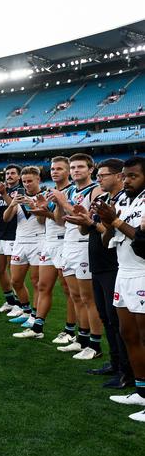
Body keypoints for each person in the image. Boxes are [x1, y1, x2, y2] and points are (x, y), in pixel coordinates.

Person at [64, 159, 133, 386]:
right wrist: (84, 219)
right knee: (106, 317)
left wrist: (95, 223)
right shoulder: (102, 199)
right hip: (97, 263)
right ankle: (115, 363)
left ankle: (127, 370)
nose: (99, 179)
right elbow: (87, 229)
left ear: (118, 177)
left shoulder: (124, 202)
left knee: (117, 320)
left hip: (114, 265)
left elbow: (113, 232)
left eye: (103, 175)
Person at [95, 156, 145, 421]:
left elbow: (143, 240)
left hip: (142, 273)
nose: (126, 180)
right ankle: (141, 390)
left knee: (143, 336)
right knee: (128, 333)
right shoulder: (123, 201)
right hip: (123, 271)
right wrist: (107, 221)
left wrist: (114, 221)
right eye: (124, 176)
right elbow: (107, 240)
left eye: (133, 176)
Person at [13, 157, 76, 342]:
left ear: (68, 172)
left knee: (68, 290)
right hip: (48, 243)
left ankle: (70, 331)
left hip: (65, 242)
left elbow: (64, 220)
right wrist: (38, 208)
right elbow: (44, 220)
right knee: (42, 286)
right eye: (53, 169)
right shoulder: (51, 192)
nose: (55, 171)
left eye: (60, 169)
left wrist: (47, 210)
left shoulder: (71, 192)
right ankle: (37, 327)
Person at [50, 153, 104, 360]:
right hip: (68, 245)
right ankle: (82, 339)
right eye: (72, 168)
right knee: (76, 297)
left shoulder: (95, 190)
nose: (75, 171)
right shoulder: (70, 190)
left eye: (80, 167)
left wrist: (64, 201)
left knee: (88, 298)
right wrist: (58, 202)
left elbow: (88, 219)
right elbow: (60, 220)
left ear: (91, 170)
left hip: (85, 245)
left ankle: (95, 344)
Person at [2, 167, 44, 320]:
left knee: (36, 282)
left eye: (30, 181)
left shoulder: (43, 196)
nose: (26, 184)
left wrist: (33, 206)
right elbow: (6, 218)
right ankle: (25, 311)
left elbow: (43, 220)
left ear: (38, 179)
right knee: (16, 280)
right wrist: (12, 204)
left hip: (38, 241)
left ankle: (34, 315)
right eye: (24, 181)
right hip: (19, 241)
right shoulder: (19, 196)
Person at [0, 164, 23, 313]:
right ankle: (10, 300)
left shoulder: (21, 190)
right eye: (7, 173)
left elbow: (15, 210)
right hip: (0, 234)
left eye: (13, 173)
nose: (9, 176)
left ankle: (20, 304)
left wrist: (3, 194)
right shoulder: (3, 191)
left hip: (14, 235)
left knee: (13, 272)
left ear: (19, 176)